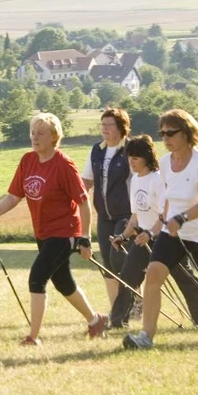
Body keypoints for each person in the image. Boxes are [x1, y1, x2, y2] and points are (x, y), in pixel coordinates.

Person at [0, 112, 108, 346]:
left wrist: (85, 238)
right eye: (32, 133)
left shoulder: (63, 164)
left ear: (53, 136)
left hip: (65, 231)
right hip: (43, 233)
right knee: (63, 282)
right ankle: (95, 320)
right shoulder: (28, 160)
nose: (34, 137)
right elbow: (14, 196)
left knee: (37, 278)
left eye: (40, 133)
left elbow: (83, 202)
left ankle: (32, 337)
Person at [124, 109, 198, 349]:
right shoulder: (165, 163)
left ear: (186, 133)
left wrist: (181, 218)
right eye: (162, 133)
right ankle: (146, 337)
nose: (165, 138)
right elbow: (168, 197)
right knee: (153, 275)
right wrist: (164, 223)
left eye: (171, 133)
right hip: (172, 231)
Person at [108, 135, 198, 330]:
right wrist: (123, 236)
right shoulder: (135, 180)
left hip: (165, 237)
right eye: (129, 158)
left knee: (186, 280)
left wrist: (151, 234)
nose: (131, 162)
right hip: (143, 238)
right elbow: (136, 215)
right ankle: (117, 322)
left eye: (135, 158)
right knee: (127, 278)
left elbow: (164, 214)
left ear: (146, 157)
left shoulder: (157, 180)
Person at [83, 108, 132, 307]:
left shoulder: (131, 149)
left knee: (121, 260)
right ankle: (115, 309)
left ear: (121, 127)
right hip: (104, 215)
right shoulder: (97, 150)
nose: (104, 129)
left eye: (109, 125)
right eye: (102, 124)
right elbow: (86, 181)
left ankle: (134, 302)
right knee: (108, 264)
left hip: (126, 215)